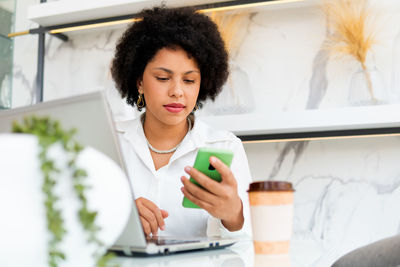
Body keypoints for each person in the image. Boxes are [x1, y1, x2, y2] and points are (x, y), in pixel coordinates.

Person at [110, 7, 252, 239]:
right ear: (139, 82)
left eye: (189, 80)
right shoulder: (112, 141)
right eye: (163, 78)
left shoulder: (223, 147)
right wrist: (117, 215)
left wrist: (233, 214)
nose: (177, 91)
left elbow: (247, 246)